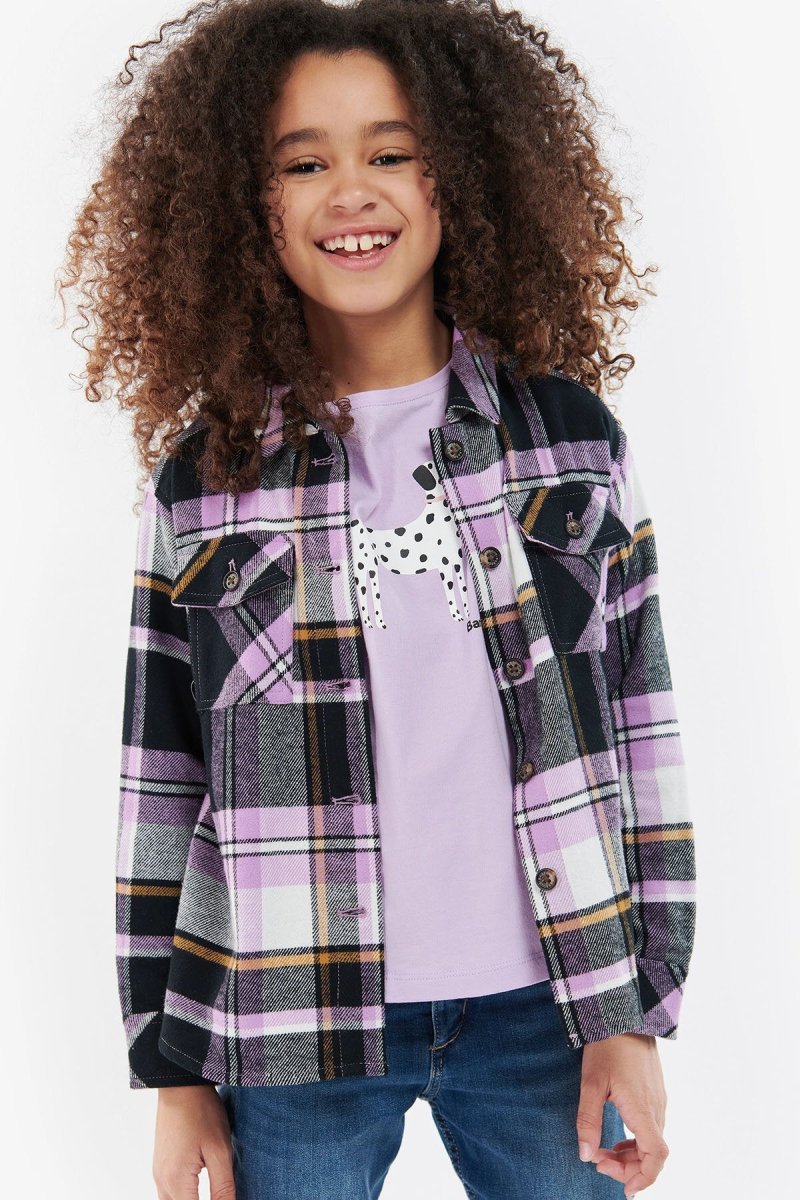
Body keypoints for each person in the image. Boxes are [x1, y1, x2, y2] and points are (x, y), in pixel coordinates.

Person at [57, 1, 697, 1197]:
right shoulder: (205, 483)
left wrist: (634, 1012)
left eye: (390, 152)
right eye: (303, 163)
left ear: (461, 178)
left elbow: (640, 730)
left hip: (548, 1018)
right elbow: (163, 783)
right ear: (246, 207)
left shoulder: (567, 443)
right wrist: (172, 1073)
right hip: (290, 1022)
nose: (350, 191)